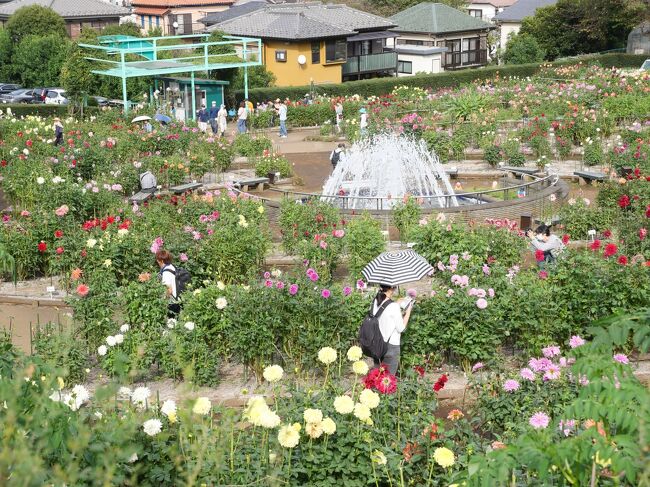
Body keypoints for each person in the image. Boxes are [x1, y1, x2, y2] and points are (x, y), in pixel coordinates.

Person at [372, 284, 413, 375]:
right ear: (391, 289)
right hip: (391, 346)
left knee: (376, 378)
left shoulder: (375, 302)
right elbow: (401, 328)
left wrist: (396, 304)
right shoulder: (393, 307)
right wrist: (409, 310)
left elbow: (384, 313)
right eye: (394, 287)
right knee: (388, 381)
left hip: (377, 344)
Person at [156, 249, 180, 317]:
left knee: (171, 324)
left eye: (157, 260)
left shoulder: (166, 272)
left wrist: (163, 301)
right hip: (177, 300)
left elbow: (169, 290)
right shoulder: (172, 266)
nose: (157, 261)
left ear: (162, 261)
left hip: (172, 303)